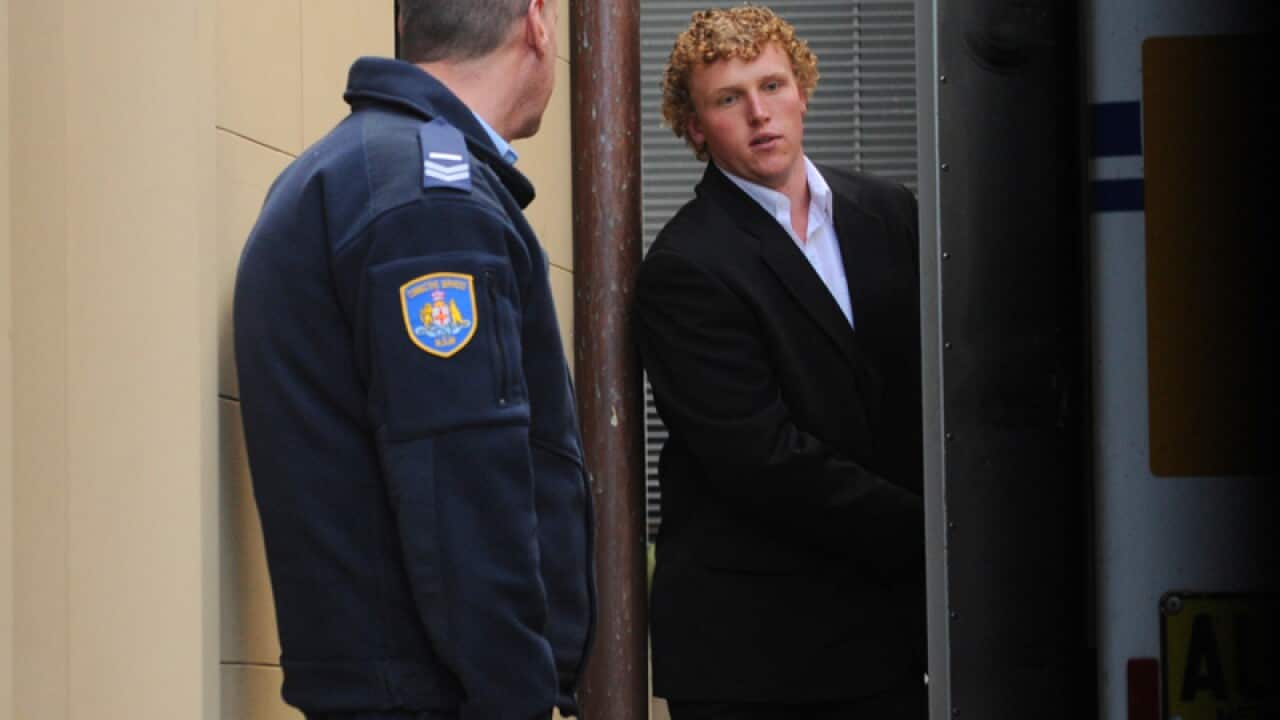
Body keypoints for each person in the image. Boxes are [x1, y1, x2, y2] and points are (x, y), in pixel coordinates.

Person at [233, 1, 595, 718]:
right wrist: (517, 699)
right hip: (433, 697)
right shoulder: (431, 204)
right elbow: (461, 491)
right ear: (537, 22)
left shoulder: (358, 170)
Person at [633, 6, 926, 719]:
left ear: (802, 91)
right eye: (728, 99)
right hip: (758, 654)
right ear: (694, 128)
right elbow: (761, 460)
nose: (759, 113)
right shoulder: (686, 265)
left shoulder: (889, 213)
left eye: (772, 85)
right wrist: (937, 532)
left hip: (889, 634)